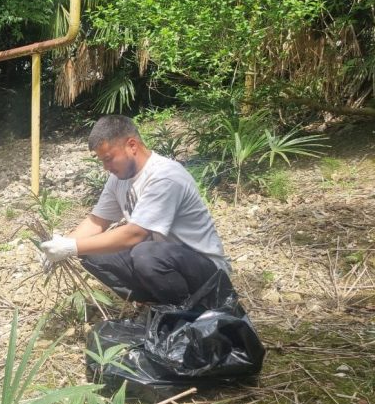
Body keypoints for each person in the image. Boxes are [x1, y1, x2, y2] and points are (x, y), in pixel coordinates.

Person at [39, 115, 231, 305]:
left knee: (145, 254)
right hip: (165, 261)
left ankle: (189, 312)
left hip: (210, 274)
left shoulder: (165, 176)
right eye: (102, 161)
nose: (106, 167)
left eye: (109, 159)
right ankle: (162, 304)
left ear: (132, 145)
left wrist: (71, 247)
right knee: (92, 253)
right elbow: (97, 221)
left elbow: (135, 234)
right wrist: (62, 245)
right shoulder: (118, 179)